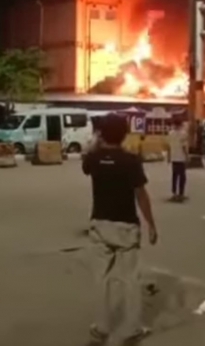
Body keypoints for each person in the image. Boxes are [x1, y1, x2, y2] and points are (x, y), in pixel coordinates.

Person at [82, 114, 158, 344]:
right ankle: (132, 328)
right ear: (125, 134)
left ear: (102, 134)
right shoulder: (131, 161)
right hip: (125, 225)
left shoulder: (93, 159)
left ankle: (101, 328)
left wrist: (97, 139)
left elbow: (87, 162)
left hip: (100, 223)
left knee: (101, 279)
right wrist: (151, 223)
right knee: (130, 279)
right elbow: (141, 195)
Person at [167, 117, 189, 202]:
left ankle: (174, 192)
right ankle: (181, 193)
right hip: (181, 158)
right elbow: (184, 147)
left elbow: (169, 146)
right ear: (180, 124)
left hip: (173, 157)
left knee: (174, 176)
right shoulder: (183, 134)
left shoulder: (170, 133)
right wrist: (187, 156)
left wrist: (169, 157)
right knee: (182, 177)